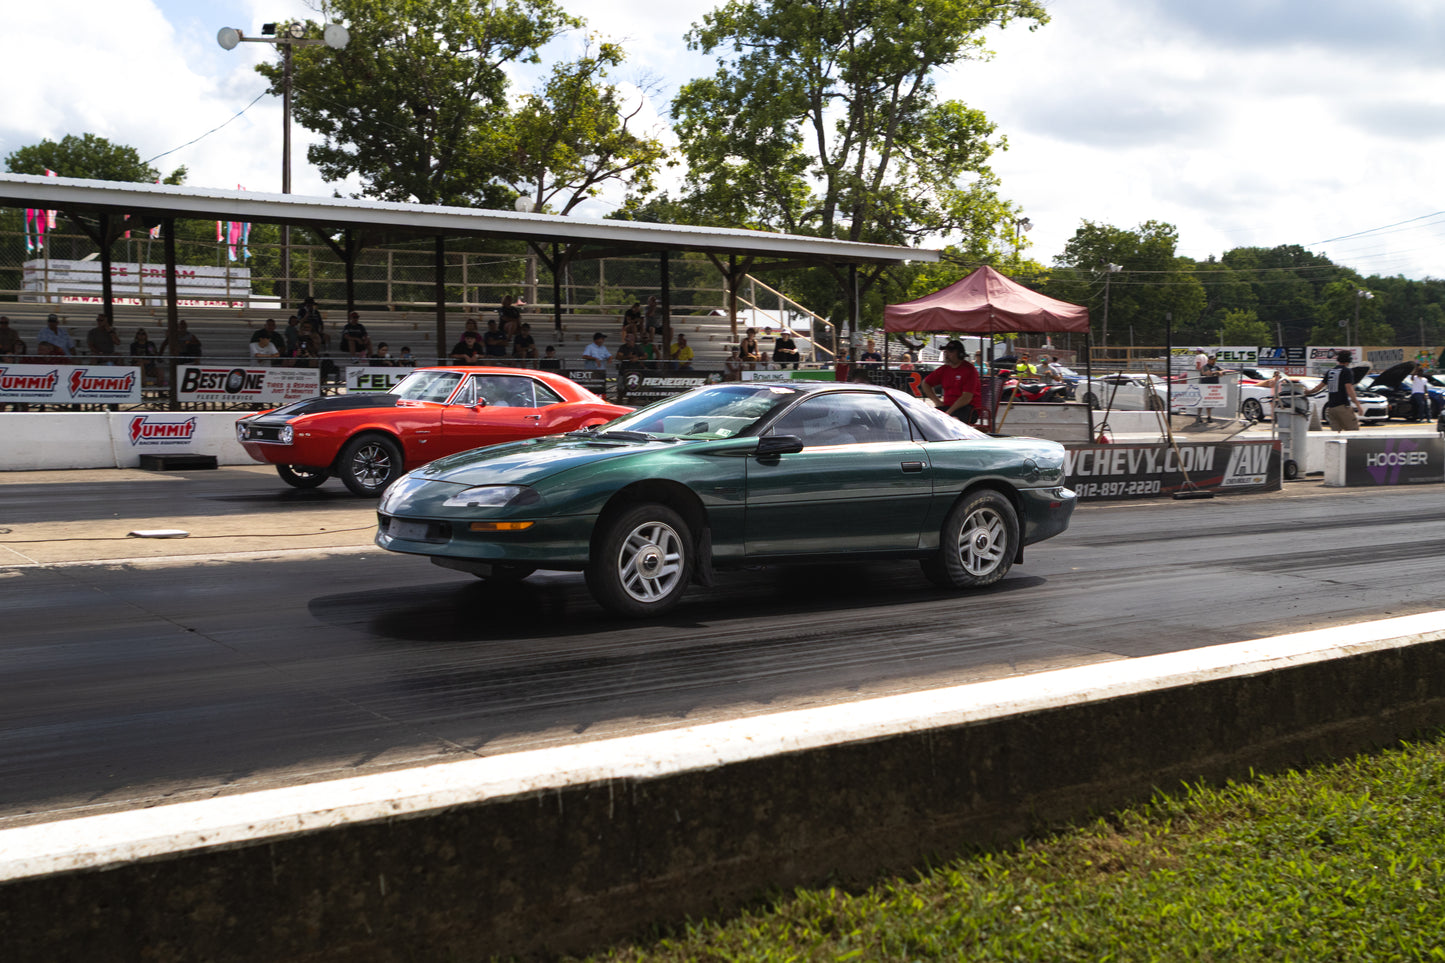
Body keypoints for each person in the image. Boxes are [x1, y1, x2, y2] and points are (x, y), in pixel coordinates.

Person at [919, 339, 982, 423]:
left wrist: (948, 412)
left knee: (952, 421)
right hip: (948, 407)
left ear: (960, 354)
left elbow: (966, 398)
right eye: (946, 352)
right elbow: (925, 383)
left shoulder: (969, 370)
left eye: (950, 352)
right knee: (927, 419)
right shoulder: (945, 369)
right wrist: (937, 401)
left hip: (969, 408)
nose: (947, 355)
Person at [1304, 350, 1364, 431]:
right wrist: (1358, 405)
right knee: (1353, 431)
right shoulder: (1346, 371)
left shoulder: (1330, 371)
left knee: (1336, 434)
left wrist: (1308, 392)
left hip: (1331, 408)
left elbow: (1318, 388)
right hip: (1342, 406)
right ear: (1349, 360)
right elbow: (1349, 389)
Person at [1195, 354, 1222, 424]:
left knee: (1209, 403)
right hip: (1204, 387)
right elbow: (1208, 373)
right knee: (1201, 402)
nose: (1213, 361)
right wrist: (1218, 372)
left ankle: (1209, 417)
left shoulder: (1216, 367)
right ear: (1208, 360)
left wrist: (1221, 372)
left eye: (1214, 360)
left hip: (1213, 387)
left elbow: (1223, 371)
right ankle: (1198, 416)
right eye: (1212, 360)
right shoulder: (1205, 367)